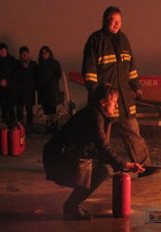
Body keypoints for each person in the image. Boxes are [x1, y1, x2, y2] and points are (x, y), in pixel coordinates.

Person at [43, 84, 144, 220]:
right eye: (114, 102)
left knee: (100, 170)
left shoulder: (97, 114)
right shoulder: (94, 116)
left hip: (65, 154)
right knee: (99, 173)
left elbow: (96, 149)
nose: (116, 106)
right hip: (58, 158)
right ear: (103, 102)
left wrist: (118, 164)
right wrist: (126, 165)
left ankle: (71, 206)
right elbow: (103, 147)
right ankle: (71, 207)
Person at [82, 6, 156, 177]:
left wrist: (136, 86)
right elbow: (89, 72)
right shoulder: (95, 40)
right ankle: (99, 169)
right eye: (113, 21)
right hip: (105, 101)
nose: (117, 24)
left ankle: (145, 167)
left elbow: (131, 67)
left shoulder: (124, 40)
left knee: (133, 134)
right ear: (105, 20)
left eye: (119, 21)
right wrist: (96, 97)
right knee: (101, 138)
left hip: (123, 100)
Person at [37, 45, 62, 133]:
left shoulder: (54, 63)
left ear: (49, 53)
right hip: (44, 91)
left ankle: (54, 127)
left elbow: (58, 74)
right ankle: (48, 127)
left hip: (52, 90)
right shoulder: (40, 64)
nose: (44, 55)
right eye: (42, 53)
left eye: (46, 52)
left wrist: (51, 82)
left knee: (53, 110)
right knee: (46, 111)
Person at [0, 42, 18, 126]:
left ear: (7, 50)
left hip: (10, 87)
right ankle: (5, 124)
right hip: (0, 88)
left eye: (4, 50)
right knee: (3, 107)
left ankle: (13, 124)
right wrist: (0, 80)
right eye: (0, 51)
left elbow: (15, 73)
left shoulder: (12, 60)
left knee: (11, 107)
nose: (2, 52)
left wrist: (7, 81)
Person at [16, 46, 38, 130]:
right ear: (20, 55)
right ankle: (20, 126)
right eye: (23, 54)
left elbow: (36, 76)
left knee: (29, 110)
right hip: (19, 90)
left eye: (26, 53)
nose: (24, 55)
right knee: (19, 110)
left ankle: (30, 126)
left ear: (28, 54)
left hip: (29, 90)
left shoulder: (33, 64)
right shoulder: (16, 63)